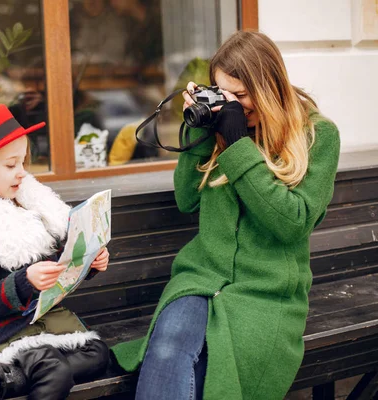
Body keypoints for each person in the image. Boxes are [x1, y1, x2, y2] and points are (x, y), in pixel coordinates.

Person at [111, 31, 341, 399]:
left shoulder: (318, 135)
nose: (233, 104)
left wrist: (238, 147)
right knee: (166, 351)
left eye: (242, 96)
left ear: (269, 87)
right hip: (201, 277)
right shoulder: (221, 127)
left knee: (212, 379)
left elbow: (293, 223)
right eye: (222, 92)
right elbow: (187, 199)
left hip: (266, 293)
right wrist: (199, 129)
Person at [0, 104, 111, 400]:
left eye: (23, 162)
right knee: (54, 369)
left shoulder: (29, 206)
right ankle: (5, 373)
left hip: (36, 320)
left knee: (98, 354)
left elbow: (57, 266)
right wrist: (25, 281)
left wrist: (89, 260)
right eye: (10, 165)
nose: (22, 173)